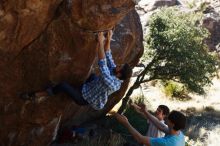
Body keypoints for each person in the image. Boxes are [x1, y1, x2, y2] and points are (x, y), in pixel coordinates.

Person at [21, 30, 132, 110]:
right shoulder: (116, 72)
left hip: (84, 99)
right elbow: (108, 56)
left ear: (119, 74)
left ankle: (41, 95)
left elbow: (102, 64)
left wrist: (100, 42)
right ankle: (79, 88)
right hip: (89, 88)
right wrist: (108, 39)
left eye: (119, 66)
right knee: (92, 76)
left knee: (63, 85)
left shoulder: (112, 85)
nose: (117, 65)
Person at [113, 103, 186, 146]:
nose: (166, 120)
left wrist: (125, 123)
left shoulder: (166, 143)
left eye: (168, 119)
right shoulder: (179, 134)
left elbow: (140, 139)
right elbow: (161, 126)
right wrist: (145, 111)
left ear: (172, 124)